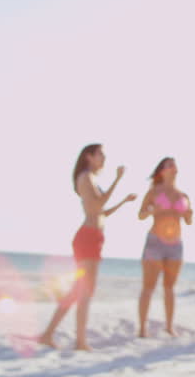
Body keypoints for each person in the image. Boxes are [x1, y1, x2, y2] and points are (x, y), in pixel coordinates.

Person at [38, 144, 136, 351]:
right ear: (89, 156)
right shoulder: (85, 177)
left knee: (78, 291)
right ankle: (80, 341)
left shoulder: (91, 179)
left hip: (95, 237)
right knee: (84, 291)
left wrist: (124, 202)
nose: (104, 158)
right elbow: (96, 207)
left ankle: (48, 334)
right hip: (88, 238)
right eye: (101, 154)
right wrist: (117, 180)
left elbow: (102, 213)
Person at [136, 157, 193, 338]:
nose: (174, 167)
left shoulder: (183, 195)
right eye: (169, 164)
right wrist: (152, 211)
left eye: (175, 164)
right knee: (148, 287)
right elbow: (141, 215)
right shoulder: (153, 191)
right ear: (162, 170)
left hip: (176, 244)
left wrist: (189, 215)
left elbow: (188, 221)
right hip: (155, 242)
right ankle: (142, 328)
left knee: (170, 287)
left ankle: (169, 326)